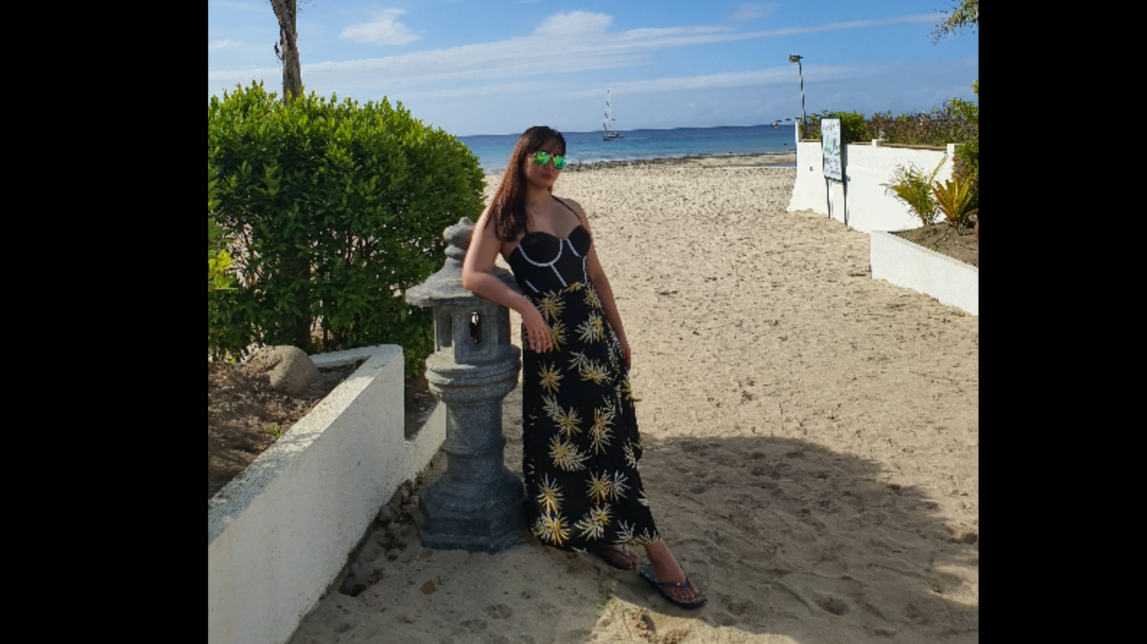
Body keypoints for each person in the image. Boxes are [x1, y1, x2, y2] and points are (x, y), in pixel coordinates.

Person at [461, 126, 705, 609]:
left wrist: (620, 332)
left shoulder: (572, 210)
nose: (551, 167)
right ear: (522, 157)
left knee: (605, 438)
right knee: (590, 442)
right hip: (553, 344)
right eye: (542, 157)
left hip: (594, 335)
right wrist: (525, 307)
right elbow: (474, 274)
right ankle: (659, 556)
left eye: (559, 159)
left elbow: (597, 276)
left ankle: (601, 533)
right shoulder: (503, 216)